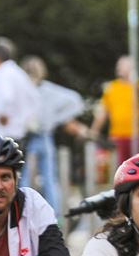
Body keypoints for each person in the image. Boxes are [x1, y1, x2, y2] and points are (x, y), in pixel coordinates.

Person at [21, 55, 90, 215]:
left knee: (31, 177)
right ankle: (53, 215)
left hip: (37, 137)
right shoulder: (47, 89)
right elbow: (75, 100)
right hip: (42, 137)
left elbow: (74, 101)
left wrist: (55, 120)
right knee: (47, 178)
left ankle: (31, 213)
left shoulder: (30, 91)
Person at [0, 37, 41, 185]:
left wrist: (4, 114)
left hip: (1, 136)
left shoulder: (3, 72)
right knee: (13, 178)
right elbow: (34, 99)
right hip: (17, 134)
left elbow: (6, 97)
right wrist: (24, 120)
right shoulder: (19, 73)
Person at [89, 56, 139, 165]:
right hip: (116, 136)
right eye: (118, 65)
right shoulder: (111, 88)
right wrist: (94, 131)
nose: (118, 68)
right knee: (118, 169)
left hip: (136, 135)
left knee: (137, 168)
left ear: (132, 67)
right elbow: (102, 112)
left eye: (122, 65)